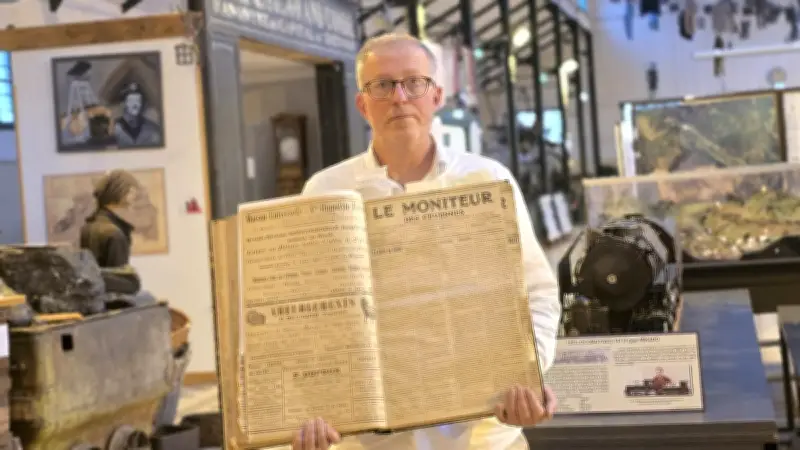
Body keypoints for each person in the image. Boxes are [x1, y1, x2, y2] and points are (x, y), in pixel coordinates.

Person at [295, 33, 562, 450]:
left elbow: (538, 292)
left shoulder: (487, 179)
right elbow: (305, 314)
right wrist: (308, 406)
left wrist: (529, 374)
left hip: (485, 435)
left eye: (413, 82)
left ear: (436, 95)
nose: (399, 97)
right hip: (369, 441)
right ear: (362, 104)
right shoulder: (326, 191)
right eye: (382, 85)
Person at [79, 169, 142, 294]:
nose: (134, 196)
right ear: (120, 192)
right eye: (131, 191)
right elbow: (117, 282)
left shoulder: (89, 226)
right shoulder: (114, 233)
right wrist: (133, 281)